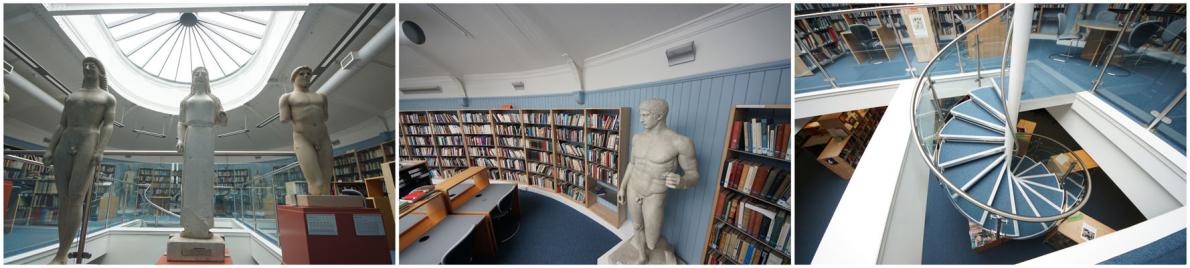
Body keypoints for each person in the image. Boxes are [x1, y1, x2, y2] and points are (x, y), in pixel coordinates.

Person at [43, 57, 117, 264]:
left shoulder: (107, 98)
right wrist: (50, 148)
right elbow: (61, 124)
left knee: (76, 197)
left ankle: (61, 253)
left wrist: (100, 149)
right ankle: (62, 252)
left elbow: (108, 125)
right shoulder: (71, 96)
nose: (87, 67)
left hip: (89, 140)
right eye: (85, 65)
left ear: (100, 72)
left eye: (92, 65)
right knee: (64, 199)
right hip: (66, 141)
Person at [616, 98, 699, 264]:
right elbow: (632, 163)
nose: (641, 119)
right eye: (641, 115)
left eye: (645, 115)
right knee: (637, 227)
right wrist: (622, 187)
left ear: (659, 116)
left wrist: (682, 181)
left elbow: (694, 175)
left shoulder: (680, 142)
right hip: (633, 188)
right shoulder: (637, 138)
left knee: (652, 240)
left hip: (654, 194)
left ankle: (666, 251)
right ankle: (641, 255)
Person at [175, 67, 227, 239]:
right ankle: (189, 225)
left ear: (207, 78)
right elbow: (181, 122)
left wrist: (222, 115)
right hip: (191, 135)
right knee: (190, 179)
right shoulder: (186, 100)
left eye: (203, 73)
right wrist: (180, 140)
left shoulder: (214, 99)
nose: (199, 75)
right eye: (196, 73)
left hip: (207, 134)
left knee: (205, 178)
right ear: (192, 77)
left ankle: (204, 223)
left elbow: (222, 121)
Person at [278, 66, 334, 195]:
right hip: (303, 139)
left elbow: (325, 117)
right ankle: (320, 213)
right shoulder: (287, 98)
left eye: (308, 73)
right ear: (293, 79)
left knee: (327, 181)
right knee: (317, 182)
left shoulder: (321, 96)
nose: (306, 76)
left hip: (323, 137)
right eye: (301, 74)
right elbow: (284, 118)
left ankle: (327, 210)